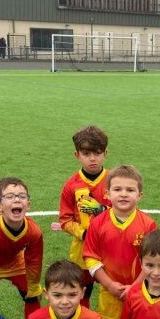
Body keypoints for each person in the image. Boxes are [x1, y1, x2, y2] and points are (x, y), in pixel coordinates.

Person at [82, 164, 157, 319]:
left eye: (130, 190)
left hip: (140, 292)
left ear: (140, 195)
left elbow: (153, 261)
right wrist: (109, 284)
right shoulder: (98, 223)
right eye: (117, 189)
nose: (123, 194)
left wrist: (135, 286)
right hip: (110, 293)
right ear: (107, 194)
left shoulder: (148, 224)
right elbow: (90, 258)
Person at [0, 177, 43, 319]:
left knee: (34, 296)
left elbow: (34, 262)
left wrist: (33, 288)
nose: (17, 199)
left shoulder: (34, 231)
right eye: (10, 196)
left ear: (28, 204)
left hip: (15, 262)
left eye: (22, 196)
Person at [57, 125, 111, 308]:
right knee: (82, 293)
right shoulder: (71, 185)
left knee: (112, 292)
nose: (92, 158)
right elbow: (64, 220)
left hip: (111, 248)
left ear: (105, 153)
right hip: (82, 252)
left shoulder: (114, 181)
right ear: (77, 155)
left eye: (97, 153)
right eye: (86, 154)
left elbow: (127, 212)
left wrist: (102, 209)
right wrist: (84, 233)